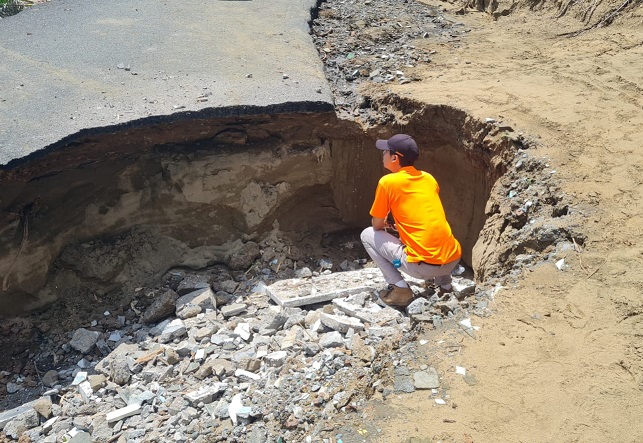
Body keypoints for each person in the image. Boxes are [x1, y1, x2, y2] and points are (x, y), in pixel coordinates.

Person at [360, 134, 462, 307]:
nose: (382, 155)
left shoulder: (388, 182)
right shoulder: (428, 178)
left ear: (394, 157)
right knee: (434, 232)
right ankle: (445, 286)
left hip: (423, 268)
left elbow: (376, 225)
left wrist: (386, 225)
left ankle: (400, 289)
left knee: (367, 235)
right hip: (452, 260)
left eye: (385, 151)